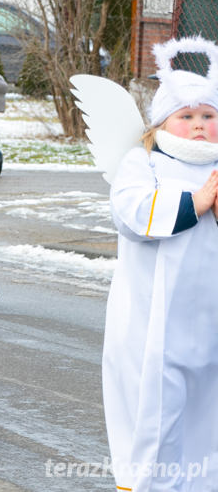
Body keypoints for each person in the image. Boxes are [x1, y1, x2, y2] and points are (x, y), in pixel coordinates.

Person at [102, 37, 218, 491]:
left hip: (206, 318)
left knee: (206, 409)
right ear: (163, 121)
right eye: (186, 116)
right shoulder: (144, 161)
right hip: (153, 321)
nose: (197, 126)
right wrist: (198, 201)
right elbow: (132, 215)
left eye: (208, 116)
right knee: (159, 408)